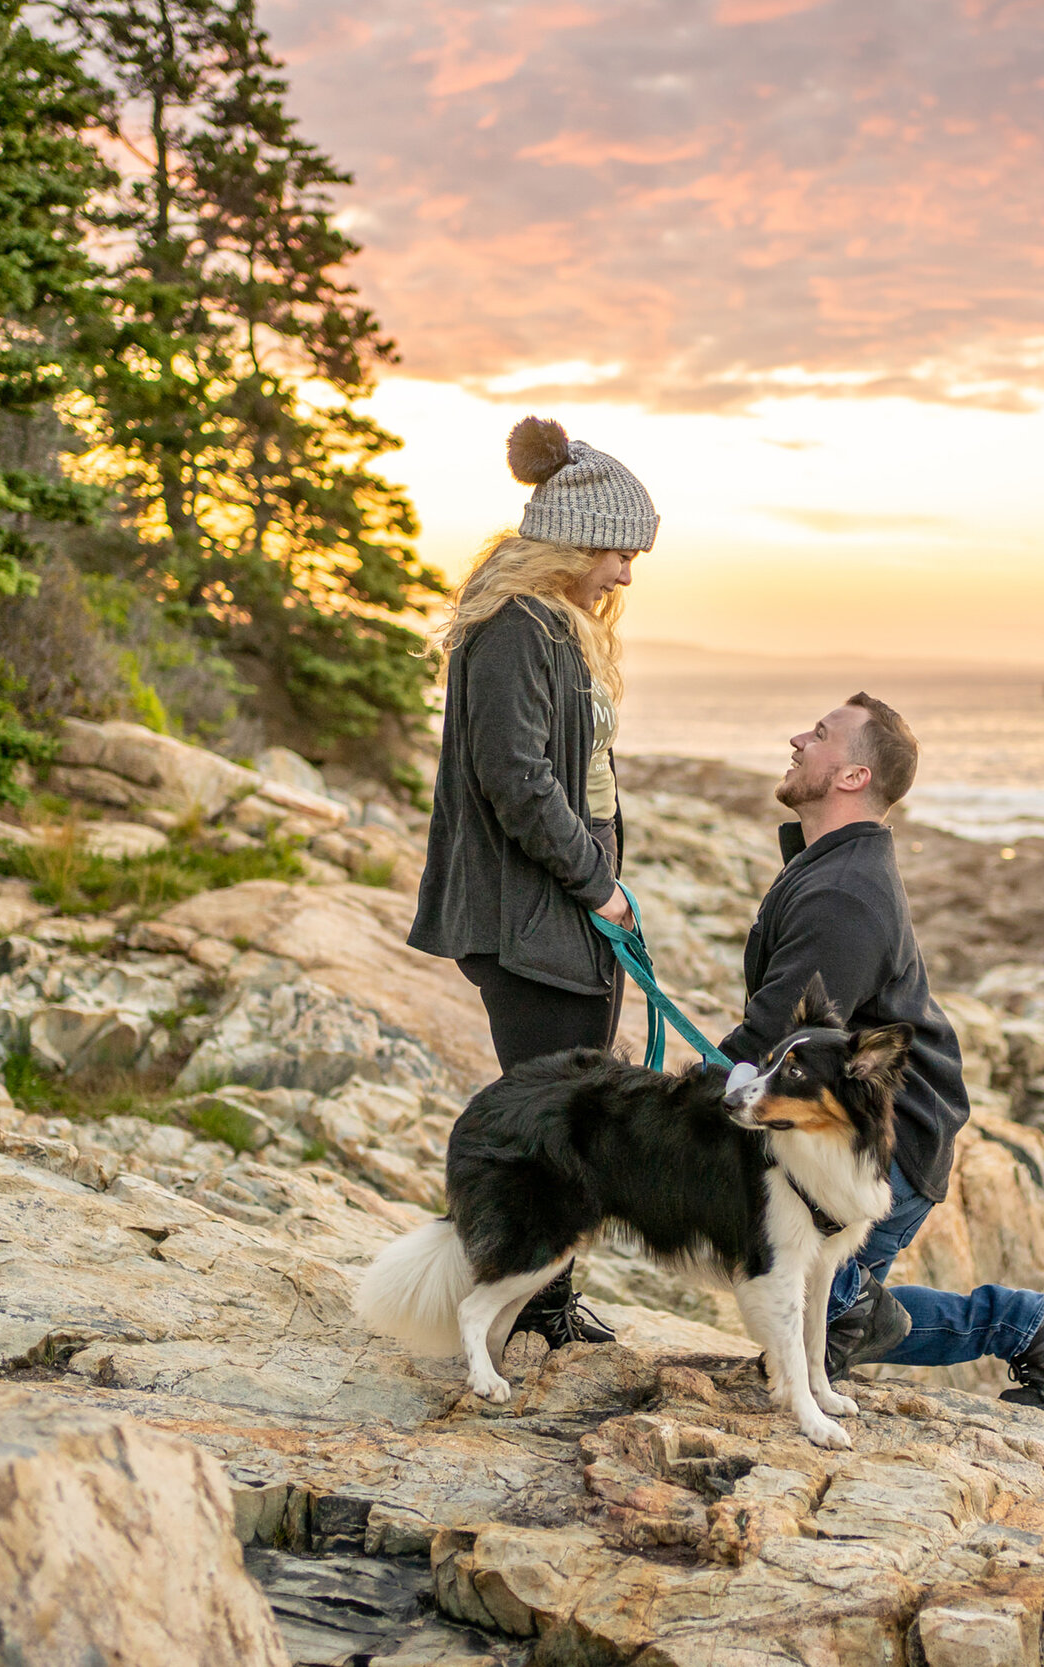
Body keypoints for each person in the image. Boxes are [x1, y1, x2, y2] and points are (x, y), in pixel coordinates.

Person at [714, 694, 1044, 1411]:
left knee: (828, 1320)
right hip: (873, 1120)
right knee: (819, 1317)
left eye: (819, 734)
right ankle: (1028, 1323)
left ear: (853, 776)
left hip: (888, 1138)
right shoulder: (832, 866)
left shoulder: (844, 895)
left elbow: (764, 1040)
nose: (797, 738)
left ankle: (1022, 1324)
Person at [409, 414, 658, 1350]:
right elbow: (516, 778)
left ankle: (538, 1301)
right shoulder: (515, 625)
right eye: (619, 553)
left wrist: (599, 891)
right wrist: (599, 885)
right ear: (572, 540)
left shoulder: (550, 623)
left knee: (569, 1112)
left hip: (557, 917)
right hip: (531, 921)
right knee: (557, 1118)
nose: (626, 575)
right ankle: (526, 1307)